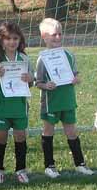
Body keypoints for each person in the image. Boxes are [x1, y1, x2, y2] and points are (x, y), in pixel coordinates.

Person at [36, 18, 94, 178]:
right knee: (48, 131)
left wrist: (77, 79)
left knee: (72, 132)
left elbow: (76, 74)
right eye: (54, 35)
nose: (58, 38)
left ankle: (80, 164)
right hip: (51, 102)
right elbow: (38, 82)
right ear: (44, 36)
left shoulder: (68, 54)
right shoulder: (42, 58)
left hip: (68, 100)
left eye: (60, 34)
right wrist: (46, 85)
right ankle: (49, 166)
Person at [0, 21, 34, 184]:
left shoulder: (24, 59)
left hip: (19, 105)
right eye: (8, 39)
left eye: (15, 39)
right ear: (1, 40)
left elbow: (31, 81)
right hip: (2, 106)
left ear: (20, 40)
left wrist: (30, 79)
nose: (12, 42)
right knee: (1, 137)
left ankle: (21, 169)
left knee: (20, 136)